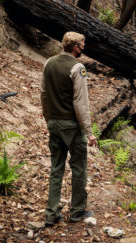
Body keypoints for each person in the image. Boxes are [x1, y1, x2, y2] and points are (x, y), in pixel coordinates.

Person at [40, 31, 97, 226]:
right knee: (79, 168)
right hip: (72, 127)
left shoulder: (49, 63)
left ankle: (51, 213)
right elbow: (80, 103)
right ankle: (77, 212)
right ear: (75, 48)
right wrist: (89, 133)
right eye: (82, 45)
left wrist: (49, 118)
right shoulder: (77, 67)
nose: (83, 48)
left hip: (54, 123)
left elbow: (44, 93)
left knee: (56, 168)